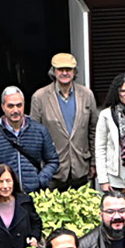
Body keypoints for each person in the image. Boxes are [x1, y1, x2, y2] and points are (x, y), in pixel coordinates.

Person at [30, 52, 98, 188]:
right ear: (53, 72)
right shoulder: (40, 97)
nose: (65, 73)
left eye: (68, 69)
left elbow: (93, 131)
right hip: (52, 172)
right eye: (60, 69)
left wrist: (94, 163)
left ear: (74, 72)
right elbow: (34, 136)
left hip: (81, 169)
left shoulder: (86, 95)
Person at [0, 86, 58, 194]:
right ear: (3, 107)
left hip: (34, 195)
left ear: (24, 105)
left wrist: (40, 180)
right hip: (4, 197)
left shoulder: (40, 131)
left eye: (19, 105)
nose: (15, 110)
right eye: (10, 106)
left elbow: (52, 160)